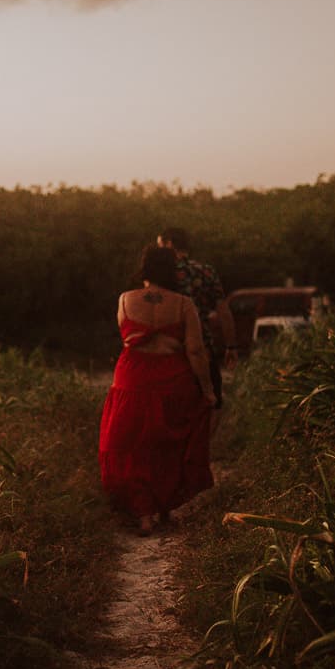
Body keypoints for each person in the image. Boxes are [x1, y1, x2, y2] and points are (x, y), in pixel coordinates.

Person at [98, 245, 215, 535]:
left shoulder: (125, 300)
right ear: (172, 271)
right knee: (167, 444)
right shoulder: (183, 304)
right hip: (172, 378)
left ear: (145, 268)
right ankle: (164, 508)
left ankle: (143, 514)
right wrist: (207, 389)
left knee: (132, 445)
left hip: (132, 379)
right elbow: (196, 351)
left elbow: (127, 337)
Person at [157, 227, 237, 409]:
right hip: (204, 349)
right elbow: (224, 312)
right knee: (212, 406)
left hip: (170, 352)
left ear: (169, 244)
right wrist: (231, 346)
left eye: (160, 246)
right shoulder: (206, 272)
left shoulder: (161, 276)